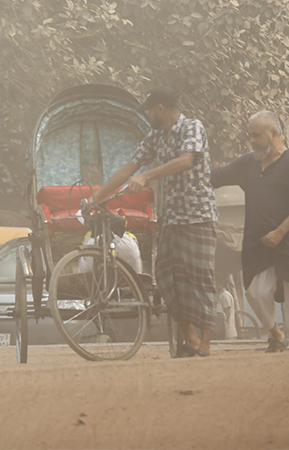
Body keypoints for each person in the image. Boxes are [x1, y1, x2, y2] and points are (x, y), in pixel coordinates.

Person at [88, 86, 219, 357]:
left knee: (201, 278)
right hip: (171, 218)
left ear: (159, 107)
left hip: (198, 215)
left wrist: (147, 177)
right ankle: (190, 339)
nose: (147, 115)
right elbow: (129, 168)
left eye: (148, 110)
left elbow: (184, 161)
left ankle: (205, 344)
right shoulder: (154, 137)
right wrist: (97, 197)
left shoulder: (193, 127)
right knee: (166, 279)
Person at [211, 111, 289, 352]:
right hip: (258, 243)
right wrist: (187, 169)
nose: (252, 141)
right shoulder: (249, 163)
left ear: (275, 134)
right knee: (256, 292)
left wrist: (280, 231)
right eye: (251, 137)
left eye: (257, 136)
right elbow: (218, 175)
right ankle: (277, 335)